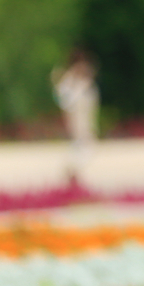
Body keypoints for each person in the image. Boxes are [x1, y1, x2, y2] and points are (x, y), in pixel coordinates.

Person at [51, 48, 98, 187]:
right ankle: (71, 178)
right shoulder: (68, 82)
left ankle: (73, 179)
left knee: (86, 152)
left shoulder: (86, 83)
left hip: (86, 126)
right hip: (76, 126)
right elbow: (64, 101)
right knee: (82, 152)